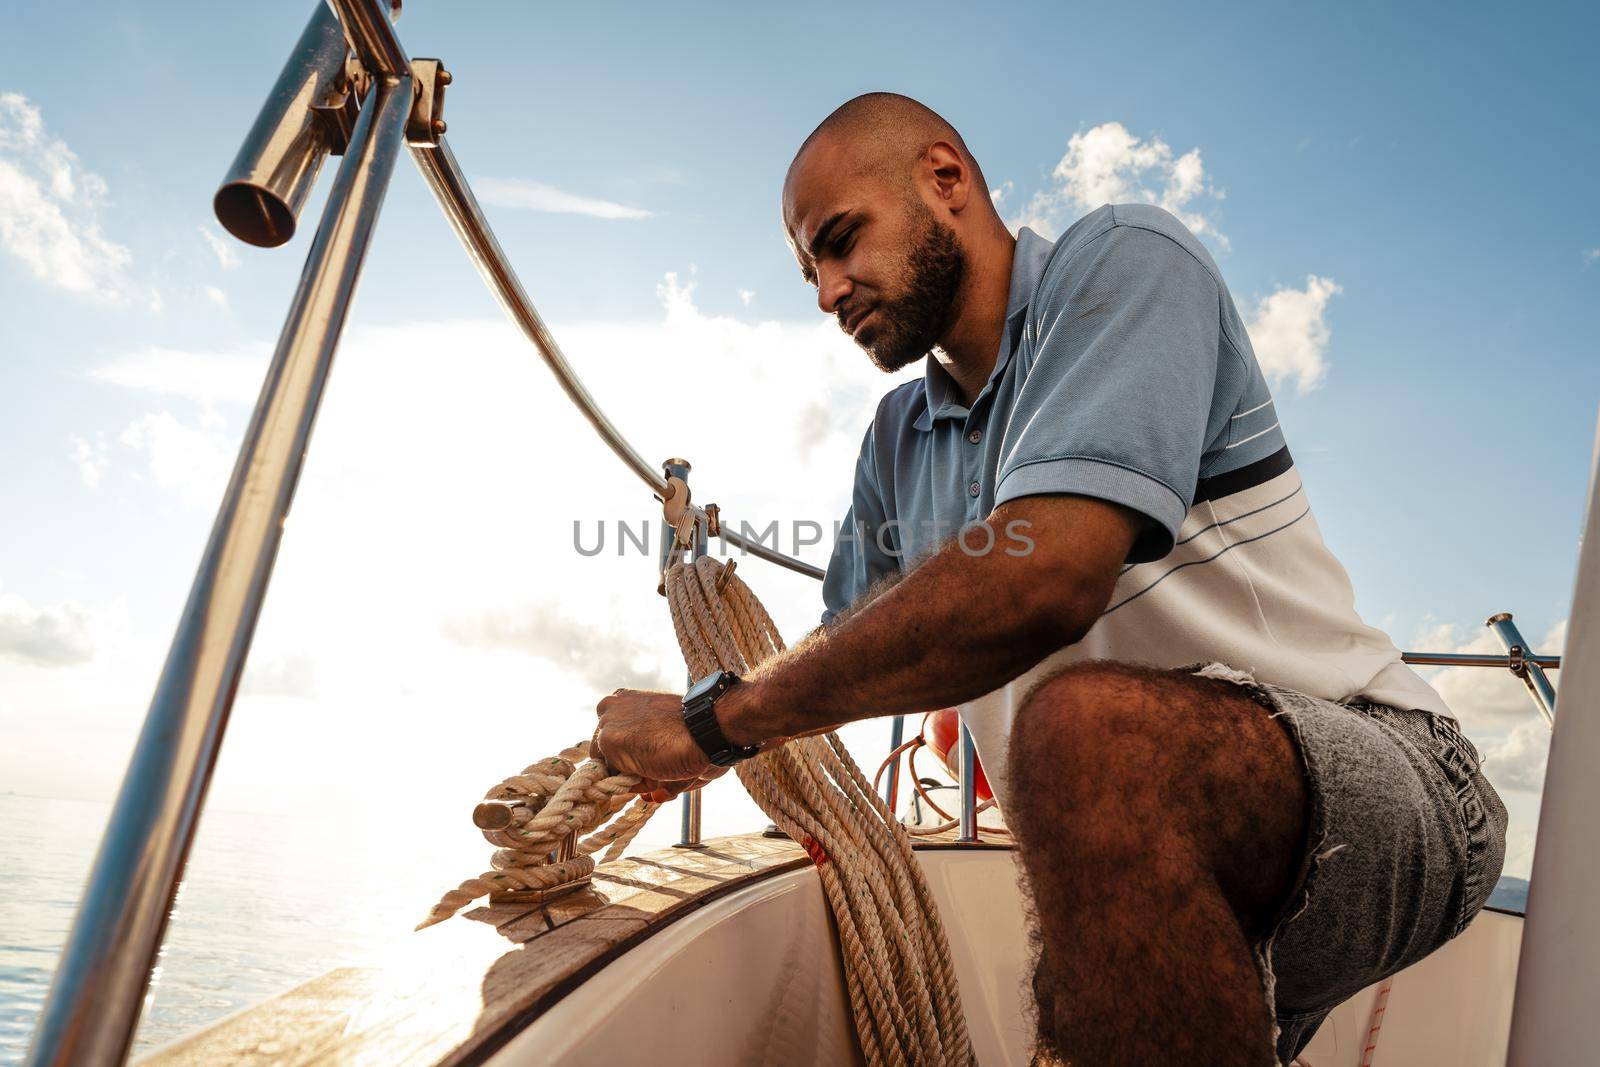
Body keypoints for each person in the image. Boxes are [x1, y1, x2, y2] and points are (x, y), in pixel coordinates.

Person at [590, 92, 1506, 1066]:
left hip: (1395, 768)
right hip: (1143, 811)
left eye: (841, 240)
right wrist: (734, 713)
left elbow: (1047, 573)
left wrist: (711, 723)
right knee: (1074, 962)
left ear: (944, 181)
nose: (826, 290)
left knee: (1081, 736)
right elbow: (852, 646)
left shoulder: (1125, 263)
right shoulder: (896, 438)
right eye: (809, 269)